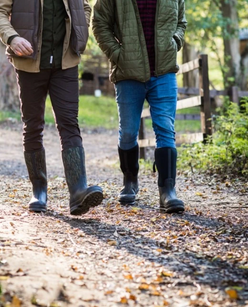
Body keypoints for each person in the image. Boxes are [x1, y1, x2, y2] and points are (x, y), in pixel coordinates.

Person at [0, 0, 104, 215]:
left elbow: (85, 7)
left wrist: (81, 30)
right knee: (33, 126)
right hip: (30, 62)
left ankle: (79, 191)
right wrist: (12, 38)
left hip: (66, 62)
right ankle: (39, 190)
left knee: (69, 123)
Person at [92, 0, 186, 213]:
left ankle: (167, 191)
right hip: (128, 73)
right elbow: (99, 24)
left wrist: (175, 41)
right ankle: (130, 181)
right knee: (128, 132)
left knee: (166, 129)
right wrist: (118, 55)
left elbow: (181, 22)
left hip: (164, 72)